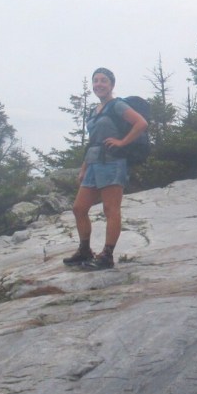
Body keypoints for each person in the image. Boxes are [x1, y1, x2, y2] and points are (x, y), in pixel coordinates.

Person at [63, 67, 148, 270]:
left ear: (111, 85)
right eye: (96, 81)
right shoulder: (94, 111)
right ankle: (85, 250)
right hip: (94, 163)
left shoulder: (117, 105)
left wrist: (122, 142)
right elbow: (93, 141)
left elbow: (141, 123)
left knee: (110, 209)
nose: (99, 84)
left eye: (103, 81)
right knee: (79, 208)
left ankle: (107, 255)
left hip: (112, 162)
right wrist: (84, 167)